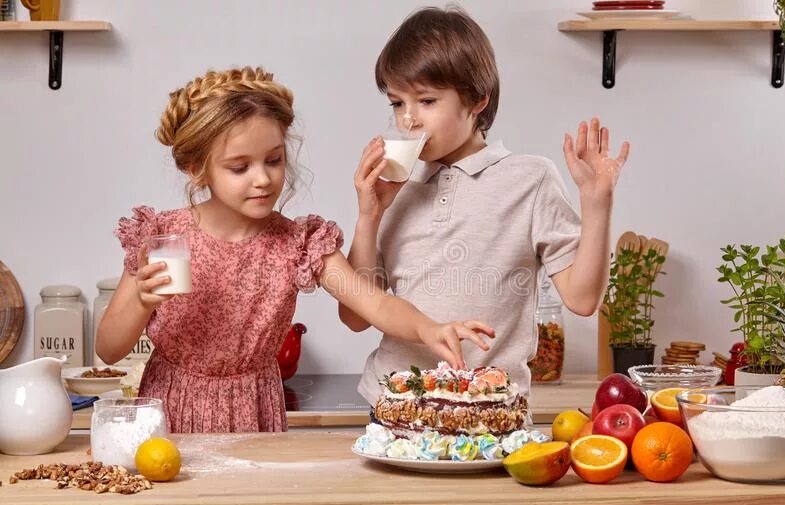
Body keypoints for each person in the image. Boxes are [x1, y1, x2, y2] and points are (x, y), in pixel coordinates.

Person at [96, 66, 494, 433]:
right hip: (171, 413)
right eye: (240, 167)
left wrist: (430, 328)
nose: (263, 179)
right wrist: (142, 301)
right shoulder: (162, 235)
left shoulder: (299, 243)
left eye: (274, 160)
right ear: (196, 168)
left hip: (256, 415)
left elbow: (373, 304)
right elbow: (109, 349)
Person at [339, 6, 630, 407]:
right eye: (396, 103)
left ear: (477, 100)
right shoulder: (398, 187)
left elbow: (582, 300)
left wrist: (597, 204)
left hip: (491, 409)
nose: (408, 120)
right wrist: (369, 215)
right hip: (392, 406)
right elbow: (355, 316)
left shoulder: (530, 180)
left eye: (426, 101)